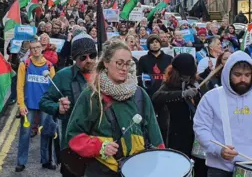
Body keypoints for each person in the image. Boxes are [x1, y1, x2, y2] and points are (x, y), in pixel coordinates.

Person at [65, 39, 164, 176]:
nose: (124, 68)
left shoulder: (140, 94)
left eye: (128, 64)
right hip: (101, 171)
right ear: (106, 62)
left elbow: (155, 136)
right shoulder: (91, 95)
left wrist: (160, 164)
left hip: (138, 170)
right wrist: (100, 147)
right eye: (119, 63)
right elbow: (73, 136)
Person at [193, 51, 252, 176]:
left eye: (247, 75)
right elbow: (201, 129)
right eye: (237, 75)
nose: (243, 79)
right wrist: (218, 150)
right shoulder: (211, 97)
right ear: (228, 73)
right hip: (220, 168)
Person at [39, 32, 97, 177]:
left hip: (99, 144)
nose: (88, 60)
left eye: (92, 55)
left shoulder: (104, 74)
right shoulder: (63, 76)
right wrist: (57, 108)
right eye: (83, 57)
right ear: (75, 58)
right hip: (72, 145)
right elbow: (44, 102)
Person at [152, 53, 208, 177]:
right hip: (177, 134)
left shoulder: (194, 82)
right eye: (184, 76)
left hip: (195, 134)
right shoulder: (169, 84)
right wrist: (182, 94)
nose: (187, 78)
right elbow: (156, 97)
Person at [15, 40, 57, 172]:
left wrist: (53, 105)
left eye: (38, 47)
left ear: (42, 49)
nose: (35, 50)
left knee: (47, 133)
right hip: (29, 105)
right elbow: (19, 87)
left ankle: (46, 160)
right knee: (25, 134)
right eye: (33, 48)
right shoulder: (25, 65)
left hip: (45, 105)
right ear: (30, 50)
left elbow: (54, 88)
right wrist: (21, 105)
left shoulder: (49, 66)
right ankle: (21, 162)